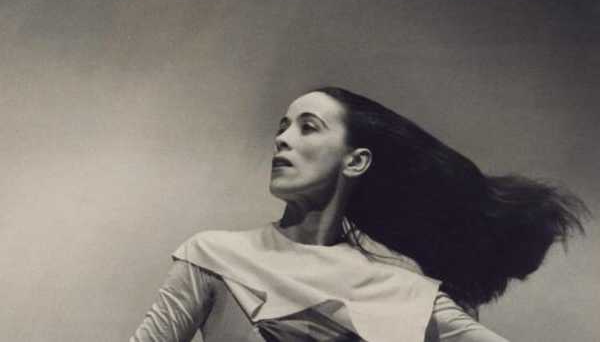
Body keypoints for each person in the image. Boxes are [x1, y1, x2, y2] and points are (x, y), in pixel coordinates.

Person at [130, 86, 588, 342]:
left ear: (356, 161)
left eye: (308, 127)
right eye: (282, 127)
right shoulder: (213, 255)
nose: (283, 139)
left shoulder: (399, 287)